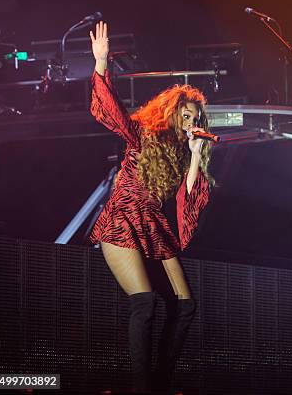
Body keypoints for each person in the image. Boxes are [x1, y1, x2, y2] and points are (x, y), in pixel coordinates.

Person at [88, 21, 213, 394]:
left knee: (186, 306)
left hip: (154, 226)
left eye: (196, 119)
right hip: (121, 222)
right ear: (171, 113)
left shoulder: (183, 150)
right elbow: (111, 112)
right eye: (185, 116)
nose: (190, 123)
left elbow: (188, 198)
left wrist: (195, 155)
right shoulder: (144, 134)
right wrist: (100, 63)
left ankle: (159, 382)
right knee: (145, 304)